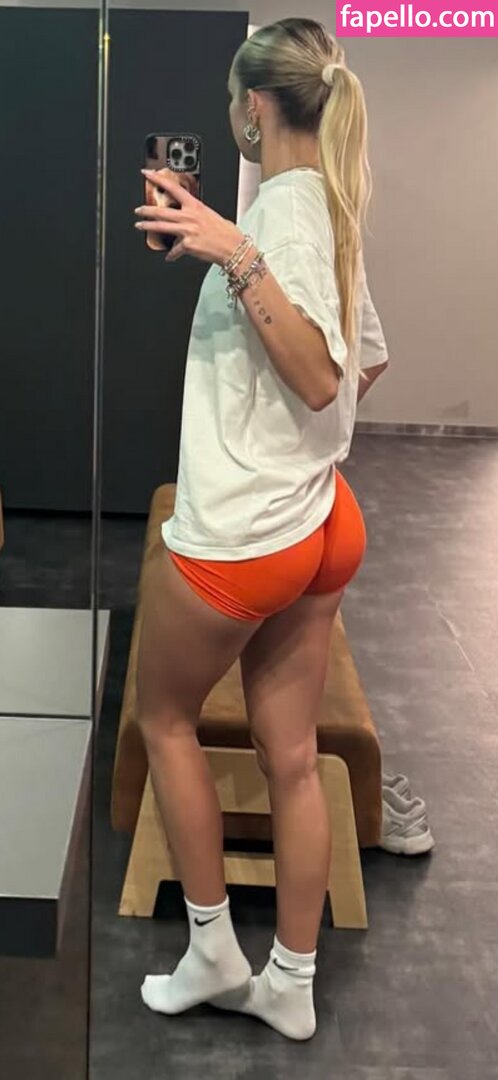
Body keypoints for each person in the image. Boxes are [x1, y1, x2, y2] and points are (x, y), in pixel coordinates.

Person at [133, 17, 388, 1042]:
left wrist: (236, 253)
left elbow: (323, 375)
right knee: (291, 754)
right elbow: (367, 359)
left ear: (251, 106)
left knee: (164, 720)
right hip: (321, 517)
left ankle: (212, 950)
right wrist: (288, 435)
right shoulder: (328, 203)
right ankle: (290, 981)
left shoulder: (277, 214)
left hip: (249, 534)